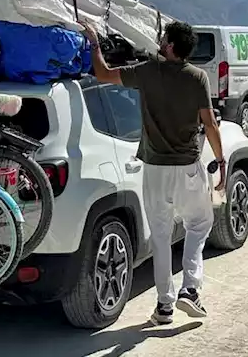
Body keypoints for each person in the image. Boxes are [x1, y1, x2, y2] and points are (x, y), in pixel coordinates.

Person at [81, 19, 226, 326]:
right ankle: (190, 287)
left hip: (155, 169)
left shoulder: (146, 72)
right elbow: (210, 124)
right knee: (199, 224)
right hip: (187, 167)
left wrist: (94, 42)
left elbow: (102, 73)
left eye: (163, 38)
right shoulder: (197, 77)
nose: (159, 41)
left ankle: (165, 306)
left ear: (170, 46)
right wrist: (222, 160)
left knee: (160, 237)